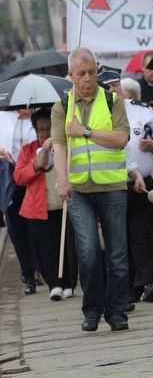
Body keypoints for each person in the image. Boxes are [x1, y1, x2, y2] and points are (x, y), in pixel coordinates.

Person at [51, 47, 131, 332]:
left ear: (97, 71)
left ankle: (117, 310)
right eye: (81, 74)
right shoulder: (62, 105)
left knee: (118, 254)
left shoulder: (112, 101)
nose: (87, 79)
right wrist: (62, 179)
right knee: (88, 252)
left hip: (112, 186)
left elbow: (121, 138)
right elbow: (59, 146)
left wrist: (84, 131)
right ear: (70, 75)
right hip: (78, 189)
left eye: (92, 73)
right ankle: (92, 309)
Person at [101, 72, 153, 305]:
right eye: (107, 87)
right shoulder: (95, 115)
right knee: (120, 238)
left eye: (115, 85)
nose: (113, 90)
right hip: (112, 185)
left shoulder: (140, 110)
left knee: (142, 234)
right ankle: (129, 287)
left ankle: (148, 283)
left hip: (142, 184)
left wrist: (152, 144)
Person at [13, 108, 77, 301]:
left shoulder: (65, 146)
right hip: (40, 209)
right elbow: (19, 177)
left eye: (48, 128)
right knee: (46, 247)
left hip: (65, 204)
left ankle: (69, 283)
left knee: (68, 246)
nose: (44, 133)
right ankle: (54, 284)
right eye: (40, 129)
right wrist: (35, 163)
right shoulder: (28, 150)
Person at [0, 109, 37, 294]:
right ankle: (28, 273)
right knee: (16, 228)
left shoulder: (41, 116)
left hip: (36, 177)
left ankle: (40, 268)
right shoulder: (3, 117)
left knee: (35, 227)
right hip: (11, 177)